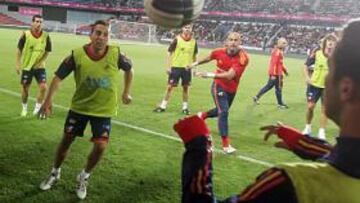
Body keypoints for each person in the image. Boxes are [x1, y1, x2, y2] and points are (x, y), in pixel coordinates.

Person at [174, 19, 360, 203]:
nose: (324, 80)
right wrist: (306, 145)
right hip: (221, 86)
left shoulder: (291, 183)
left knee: (223, 111)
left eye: (331, 71)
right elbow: (345, 161)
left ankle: (205, 121)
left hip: (230, 87)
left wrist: (198, 148)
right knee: (223, 112)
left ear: (346, 89)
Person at [38, 20, 133, 200]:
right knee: (66, 140)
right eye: (98, 33)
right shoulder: (77, 54)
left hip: (104, 110)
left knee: (101, 146)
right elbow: (58, 78)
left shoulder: (116, 53)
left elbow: (130, 70)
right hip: (79, 107)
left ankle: (84, 176)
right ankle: (54, 172)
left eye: (105, 34)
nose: (101, 37)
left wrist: (126, 92)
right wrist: (47, 101)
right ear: (90, 35)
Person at [187, 32, 249, 154]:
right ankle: (226, 145)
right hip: (218, 85)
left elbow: (230, 75)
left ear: (240, 43)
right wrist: (195, 64)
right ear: (226, 42)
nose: (233, 42)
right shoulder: (219, 51)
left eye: (236, 40)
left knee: (220, 110)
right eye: (230, 40)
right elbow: (209, 57)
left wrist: (208, 74)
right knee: (224, 112)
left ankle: (202, 115)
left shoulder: (243, 58)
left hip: (232, 88)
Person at [153, 24, 198, 115]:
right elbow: (169, 52)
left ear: (191, 29)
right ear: (182, 28)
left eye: (188, 28)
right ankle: (163, 106)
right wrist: (168, 66)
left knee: (186, 88)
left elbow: (195, 56)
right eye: (185, 27)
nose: (187, 29)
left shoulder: (194, 42)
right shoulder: (177, 39)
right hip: (176, 67)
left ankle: (185, 108)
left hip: (187, 68)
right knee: (170, 87)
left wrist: (195, 68)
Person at [302, 34, 338, 140]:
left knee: (324, 110)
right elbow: (305, 65)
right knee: (310, 107)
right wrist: (307, 77)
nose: (331, 42)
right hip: (314, 85)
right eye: (329, 40)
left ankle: (321, 132)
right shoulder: (317, 52)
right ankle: (307, 127)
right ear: (326, 42)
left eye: (333, 41)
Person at [15, 14, 52, 116]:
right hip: (27, 67)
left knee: (43, 87)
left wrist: (40, 62)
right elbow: (19, 50)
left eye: (40, 22)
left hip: (40, 67)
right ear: (32, 22)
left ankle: (37, 109)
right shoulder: (25, 34)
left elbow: (48, 51)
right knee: (25, 89)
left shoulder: (46, 35)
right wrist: (17, 64)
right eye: (37, 21)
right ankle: (24, 108)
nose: (39, 24)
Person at [253, 38, 289, 109]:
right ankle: (280, 104)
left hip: (277, 73)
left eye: (285, 43)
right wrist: (273, 75)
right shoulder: (277, 52)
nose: (285, 45)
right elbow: (274, 64)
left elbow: (280, 64)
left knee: (269, 87)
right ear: (279, 43)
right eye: (284, 43)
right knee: (278, 88)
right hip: (276, 74)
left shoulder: (278, 51)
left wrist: (285, 71)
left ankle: (257, 97)